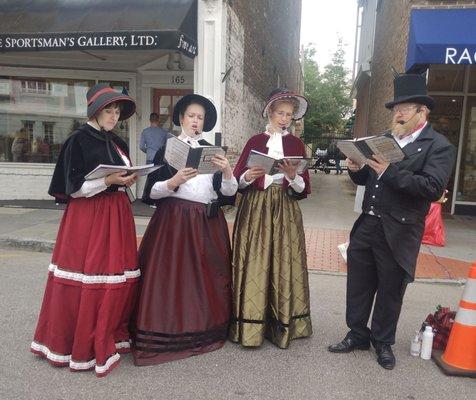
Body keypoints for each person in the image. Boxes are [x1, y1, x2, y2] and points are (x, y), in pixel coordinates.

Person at [328, 73, 456, 369]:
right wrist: (355, 167)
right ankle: (357, 333)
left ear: (423, 111)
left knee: (390, 289)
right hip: (368, 225)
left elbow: (432, 188)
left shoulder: (438, 145)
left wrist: (389, 171)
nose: (398, 113)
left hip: (399, 229)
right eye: (396, 108)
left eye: (405, 108)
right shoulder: (383, 140)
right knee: (359, 284)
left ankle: (383, 342)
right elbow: (366, 178)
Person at [30, 83, 140, 377]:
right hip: (89, 216)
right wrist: (108, 182)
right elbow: (73, 188)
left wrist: (126, 180)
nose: (114, 115)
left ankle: (108, 333)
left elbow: (120, 176)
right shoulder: (77, 140)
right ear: (95, 110)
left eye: (117, 111)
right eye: (109, 109)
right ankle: (77, 343)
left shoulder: (117, 142)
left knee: (113, 275)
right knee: (89, 276)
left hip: (117, 214)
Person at [131, 94, 237, 365]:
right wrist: (174, 181)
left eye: (200, 117)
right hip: (174, 222)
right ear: (181, 118)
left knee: (204, 278)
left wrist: (226, 173)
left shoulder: (212, 152)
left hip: (206, 223)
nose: (195, 121)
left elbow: (227, 193)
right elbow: (151, 193)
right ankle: (167, 333)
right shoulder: (169, 148)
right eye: (191, 116)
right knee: (171, 277)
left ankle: (202, 330)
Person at [230, 88, 312, 349]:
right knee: (255, 259)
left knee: (284, 260)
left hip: (285, 207)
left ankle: (283, 322)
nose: (284, 118)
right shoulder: (255, 141)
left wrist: (292, 177)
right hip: (256, 207)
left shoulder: (297, 145)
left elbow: (302, 189)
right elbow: (237, 180)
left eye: (289, 115)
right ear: (270, 112)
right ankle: (251, 321)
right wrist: (249, 177)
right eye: (280, 113)